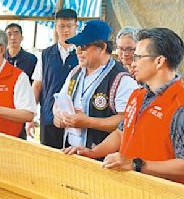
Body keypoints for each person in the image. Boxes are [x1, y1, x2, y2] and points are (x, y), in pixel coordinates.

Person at [63, 28, 184, 183]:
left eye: (138, 57)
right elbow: (121, 133)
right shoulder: (138, 95)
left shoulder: (179, 104)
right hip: (129, 187)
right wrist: (93, 152)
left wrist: (137, 164)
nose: (132, 63)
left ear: (159, 61)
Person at [53, 20, 138, 152]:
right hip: (71, 150)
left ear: (103, 48)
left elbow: (126, 120)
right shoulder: (76, 72)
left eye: (84, 46)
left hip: (102, 158)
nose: (78, 51)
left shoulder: (122, 79)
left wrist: (88, 122)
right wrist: (57, 115)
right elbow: (59, 101)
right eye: (77, 46)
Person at [31, 9, 79, 148]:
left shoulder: (82, 53)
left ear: (76, 26)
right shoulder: (46, 54)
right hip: (48, 119)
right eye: (62, 26)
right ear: (55, 27)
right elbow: (37, 85)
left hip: (74, 121)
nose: (66, 30)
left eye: (70, 26)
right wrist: (31, 115)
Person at [4, 23, 37, 139]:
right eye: (9, 34)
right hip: (3, 107)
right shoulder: (0, 58)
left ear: (22, 37)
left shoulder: (31, 59)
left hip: (22, 109)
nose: (13, 37)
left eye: (16, 33)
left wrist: (32, 115)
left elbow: (35, 87)